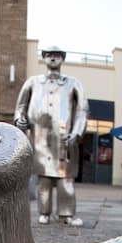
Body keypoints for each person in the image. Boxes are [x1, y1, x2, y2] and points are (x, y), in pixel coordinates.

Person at [14, 46, 89, 226]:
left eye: (57, 56)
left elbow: (82, 111)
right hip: (40, 139)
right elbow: (20, 107)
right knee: (43, 179)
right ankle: (44, 212)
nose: (53, 59)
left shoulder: (73, 83)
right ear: (44, 58)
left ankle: (66, 214)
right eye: (49, 55)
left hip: (64, 139)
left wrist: (77, 132)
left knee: (65, 180)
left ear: (62, 59)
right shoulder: (33, 82)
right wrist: (20, 119)